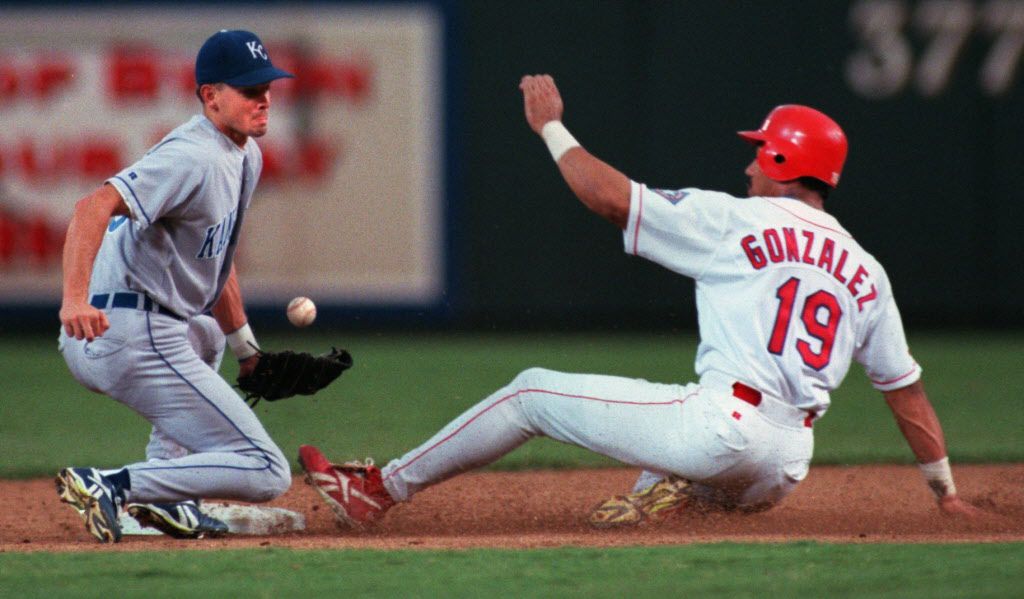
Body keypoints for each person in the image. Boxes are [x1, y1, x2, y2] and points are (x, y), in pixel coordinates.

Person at [297, 74, 978, 531]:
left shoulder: (738, 222)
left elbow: (610, 196)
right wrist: (944, 491)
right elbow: (906, 393)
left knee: (528, 393)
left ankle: (376, 490)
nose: (746, 167)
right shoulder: (867, 269)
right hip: (785, 464)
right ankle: (676, 491)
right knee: (680, 441)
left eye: (757, 154)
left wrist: (552, 129)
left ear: (778, 161)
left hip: (724, 426)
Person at [55, 29, 294, 543]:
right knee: (267, 470)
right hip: (125, 331)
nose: (265, 98)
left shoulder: (243, 153)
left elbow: (218, 257)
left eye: (267, 86)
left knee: (206, 334)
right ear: (211, 96)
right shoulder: (194, 155)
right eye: (250, 90)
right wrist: (73, 298)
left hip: (135, 326)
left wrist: (246, 350)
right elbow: (90, 207)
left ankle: (167, 502)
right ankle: (117, 486)